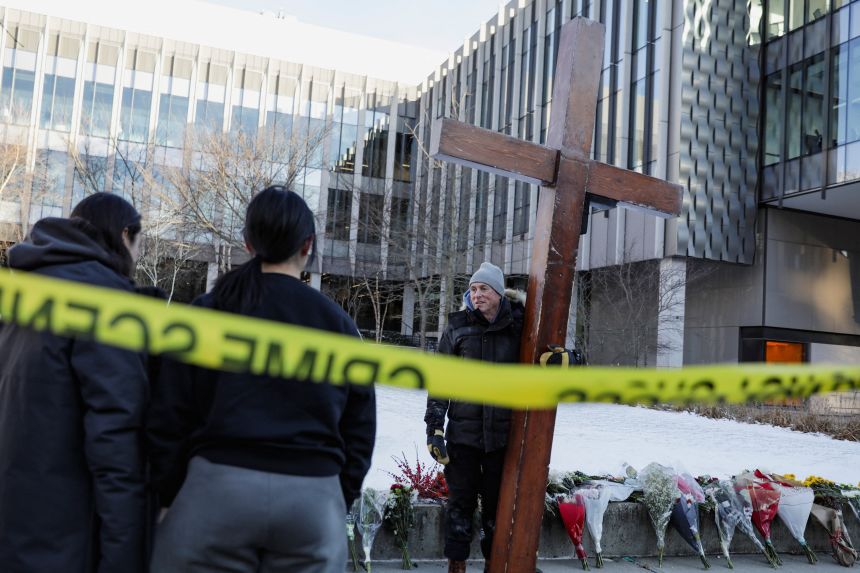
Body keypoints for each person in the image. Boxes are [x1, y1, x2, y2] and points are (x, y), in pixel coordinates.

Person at [148, 186, 376, 573]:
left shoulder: (209, 311)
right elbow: (359, 426)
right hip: (312, 500)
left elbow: (170, 413)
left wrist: (167, 495)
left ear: (247, 243)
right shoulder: (338, 325)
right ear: (308, 245)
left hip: (216, 493)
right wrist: (339, 496)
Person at [0, 193, 149, 573]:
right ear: (124, 234)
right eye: (139, 244)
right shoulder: (103, 302)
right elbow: (115, 439)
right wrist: (123, 558)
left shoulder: (21, 295)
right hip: (63, 536)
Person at [425, 261, 525, 573]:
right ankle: (457, 565)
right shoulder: (457, 325)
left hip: (501, 437)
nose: (476, 294)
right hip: (463, 437)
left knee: (497, 508)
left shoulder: (520, 326)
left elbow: (543, 362)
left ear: (498, 292)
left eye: (483, 288)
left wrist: (566, 361)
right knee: (460, 506)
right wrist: (434, 429)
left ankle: (494, 565)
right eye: (472, 289)